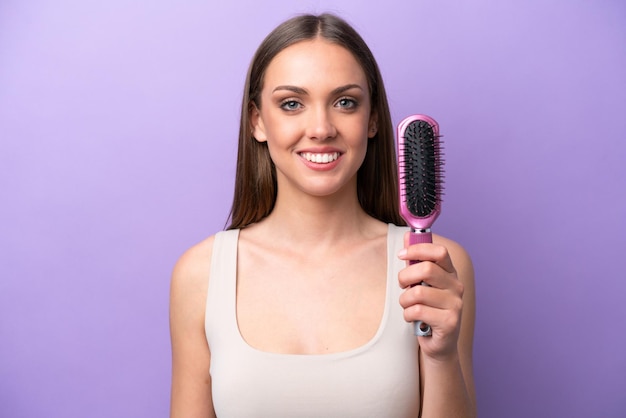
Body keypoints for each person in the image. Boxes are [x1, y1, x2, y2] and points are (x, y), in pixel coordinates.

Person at [169, 12, 476, 418]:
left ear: (372, 120)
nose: (320, 128)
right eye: (292, 103)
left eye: (344, 102)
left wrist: (440, 357)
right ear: (257, 121)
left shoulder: (433, 267)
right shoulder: (201, 274)